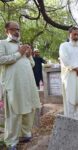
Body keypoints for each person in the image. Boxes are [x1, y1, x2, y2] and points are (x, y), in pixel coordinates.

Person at [0, 21, 41, 150]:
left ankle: (25, 134)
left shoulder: (23, 45)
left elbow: (32, 64)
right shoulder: (2, 43)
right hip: (13, 84)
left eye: (18, 29)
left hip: (28, 84)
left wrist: (28, 56)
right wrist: (19, 53)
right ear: (6, 31)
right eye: (13, 29)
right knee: (14, 112)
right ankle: (11, 141)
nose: (17, 32)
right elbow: (1, 59)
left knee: (30, 108)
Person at [59, 26, 78, 119]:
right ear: (70, 34)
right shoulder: (64, 46)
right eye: (74, 34)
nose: (76, 36)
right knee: (70, 100)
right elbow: (65, 60)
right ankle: (70, 123)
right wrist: (77, 69)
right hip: (70, 77)